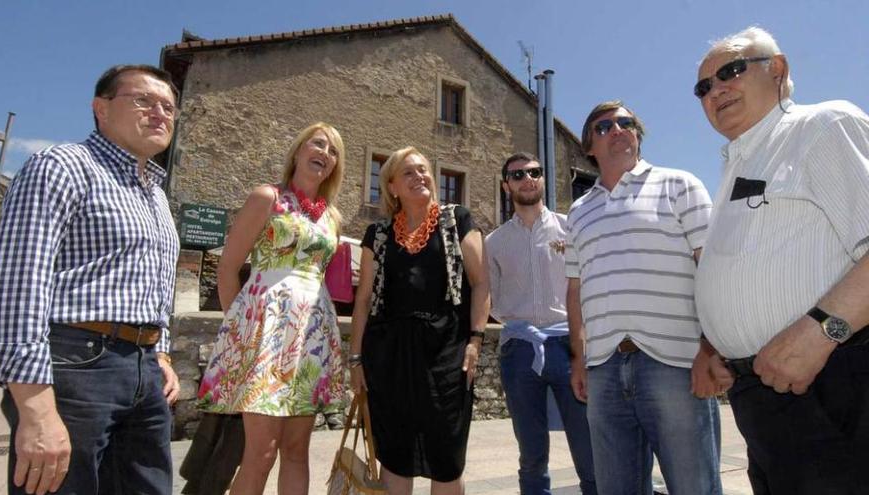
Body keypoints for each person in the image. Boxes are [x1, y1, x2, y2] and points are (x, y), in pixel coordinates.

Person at [0, 64, 181, 495]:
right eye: (143, 101)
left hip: (145, 373)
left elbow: (152, 282)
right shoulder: (63, 166)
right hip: (76, 365)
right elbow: (18, 284)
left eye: (169, 106)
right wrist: (36, 410)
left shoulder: (156, 194)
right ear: (101, 109)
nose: (160, 113)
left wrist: (162, 352)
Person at [693, 26, 869, 494]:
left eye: (730, 70)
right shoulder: (739, 166)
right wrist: (715, 346)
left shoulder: (821, 126)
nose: (716, 89)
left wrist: (821, 331)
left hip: (830, 379)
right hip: (761, 394)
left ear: (778, 69)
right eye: (703, 87)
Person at [565, 101, 723, 495]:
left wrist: (709, 349)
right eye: (604, 126)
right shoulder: (578, 213)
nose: (618, 129)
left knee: (695, 488)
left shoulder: (679, 185)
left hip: (675, 364)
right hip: (602, 369)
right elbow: (575, 289)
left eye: (627, 122)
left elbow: (713, 269)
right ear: (589, 146)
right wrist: (580, 359)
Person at [196, 122, 347, 494]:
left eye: (333, 152)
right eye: (319, 144)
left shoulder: (332, 217)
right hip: (264, 338)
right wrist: (240, 333)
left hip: (310, 339)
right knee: (260, 453)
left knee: (297, 451)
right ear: (297, 151)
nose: (325, 155)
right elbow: (229, 268)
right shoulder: (267, 197)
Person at [348, 146, 490, 495]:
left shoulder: (457, 220)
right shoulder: (378, 234)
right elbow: (363, 301)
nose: (420, 176)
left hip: (447, 353)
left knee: (447, 457)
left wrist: (475, 340)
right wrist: (355, 359)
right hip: (389, 357)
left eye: (424, 170)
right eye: (408, 172)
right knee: (396, 454)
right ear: (392, 186)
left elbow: (481, 281)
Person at [485, 152, 596, 495]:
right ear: (507, 186)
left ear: (543, 179)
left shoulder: (570, 229)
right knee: (531, 454)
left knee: (588, 448)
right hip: (520, 349)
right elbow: (490, 296)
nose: (527, 179)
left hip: (568, 344)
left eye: (534, 172)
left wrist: (583, 346)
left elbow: (587, 288)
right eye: (517, 175)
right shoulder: (495, 242)